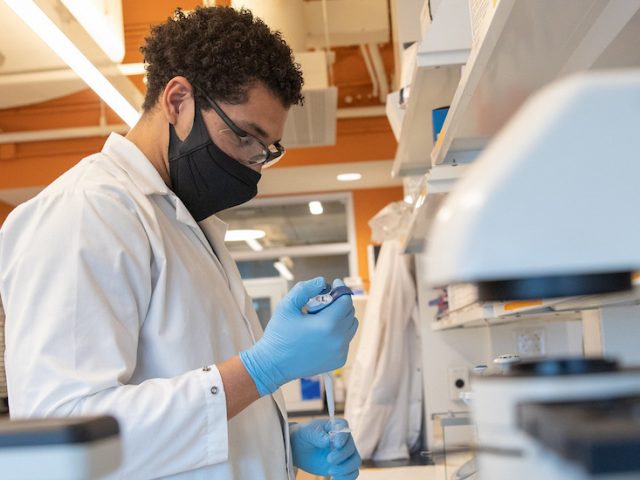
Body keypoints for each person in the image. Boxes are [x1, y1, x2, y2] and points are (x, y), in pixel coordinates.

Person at [0, 6, 361, 479]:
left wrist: (275, 442)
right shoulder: (87, 212)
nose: (254, 167)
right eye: (246, 138)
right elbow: (64, 443)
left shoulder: (187, 225)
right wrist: (263, 368)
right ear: (178, 101)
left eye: (266, 151)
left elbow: (189, 402)